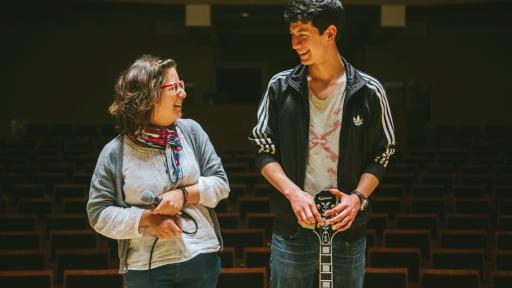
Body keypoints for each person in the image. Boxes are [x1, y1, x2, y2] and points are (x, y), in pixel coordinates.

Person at [249, 1, 396, 287]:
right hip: (293, 227)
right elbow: (262, 150)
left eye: (302, 35)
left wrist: (357, 198)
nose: (294, 44)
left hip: (346, 228)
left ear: (329, 33)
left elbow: (383, 153)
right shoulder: (279, 87)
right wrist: (294, 194)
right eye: (292, 35)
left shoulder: (369, 90)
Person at [87, 55, 230, 288]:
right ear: (148, 96)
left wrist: (183, 195)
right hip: (146, 269)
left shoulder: (192, 132)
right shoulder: (115, 152)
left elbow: (221, 185)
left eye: (181, 86)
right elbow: (98, 214)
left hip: (201, 259)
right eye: (174, 87)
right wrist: (147, 219)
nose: (183, 93)